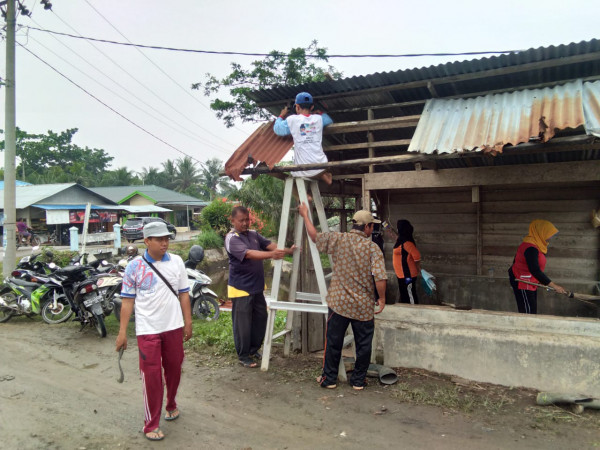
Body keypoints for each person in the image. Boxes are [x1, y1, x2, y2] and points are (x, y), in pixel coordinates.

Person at [115, 221, 193, 442]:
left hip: (173, 326)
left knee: (175, 369)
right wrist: (122, 332)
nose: (165, 243)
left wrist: (188, 322)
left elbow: (184, 294)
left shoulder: (177, 262)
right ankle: (151, 424)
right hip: (147, 330)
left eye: (167, 238)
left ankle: (171, 404)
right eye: (159, 239)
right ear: (147, 241)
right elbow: (127, 302)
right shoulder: (134, 267)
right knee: (151, 377)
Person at [298, 203, 387, 390]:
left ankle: (329, 379)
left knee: (333, 342)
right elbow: (380, 277)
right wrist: (382, 298)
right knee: (363, 344)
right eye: (373, 226)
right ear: (367, 227)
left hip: (339, 303)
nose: (373, 229)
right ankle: (358, 381)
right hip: (362, 306)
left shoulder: (338, 239)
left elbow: (314, 237)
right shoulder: (373, 249)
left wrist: (305, 215)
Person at [225, 206, 296, 368]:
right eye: (241, 220)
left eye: (247, 219)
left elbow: (270, 245)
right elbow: (248, 253)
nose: (245, 223)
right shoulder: (231, 238)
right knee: (242, 324)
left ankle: (253, 349)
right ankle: (243, 355)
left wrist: (286, 251)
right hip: (240, 288)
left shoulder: (253, 234)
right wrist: (272, 255)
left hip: (257, 287)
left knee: (260, 319)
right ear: (233, 220)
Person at [273, 92, 334, 185]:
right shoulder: (318, 119)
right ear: (312, 107)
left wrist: (281, 115)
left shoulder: (292, 120)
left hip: (304, 169)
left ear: (297, 107)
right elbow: (329, 120)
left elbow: (277, 129)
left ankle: (307, 197)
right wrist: (320, 113)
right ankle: (325, 177)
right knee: (315, 168)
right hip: (322, 165)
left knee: (290, 179)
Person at [508, 219, 567, 314]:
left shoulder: (534, 244)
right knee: (528, 313)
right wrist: (554, 286)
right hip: (523, 283)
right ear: (541, 232)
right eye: (548, 234)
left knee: (531, 311)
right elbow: (535, 270)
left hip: (529, 281)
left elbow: (517, 260)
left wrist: (538, 280)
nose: (550, 237)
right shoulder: (530, 248)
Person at [392, 220, 421, 304]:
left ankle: (414, 311)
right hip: (401, 275)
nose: (397, 230)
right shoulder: (400, 240)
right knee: (404, 295)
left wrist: (418, 268)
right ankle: (407, 311)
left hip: (408, 275)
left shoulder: (407, 243)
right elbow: (393, 235)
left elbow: (417, 256)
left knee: (410, 294)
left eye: (398, 228)